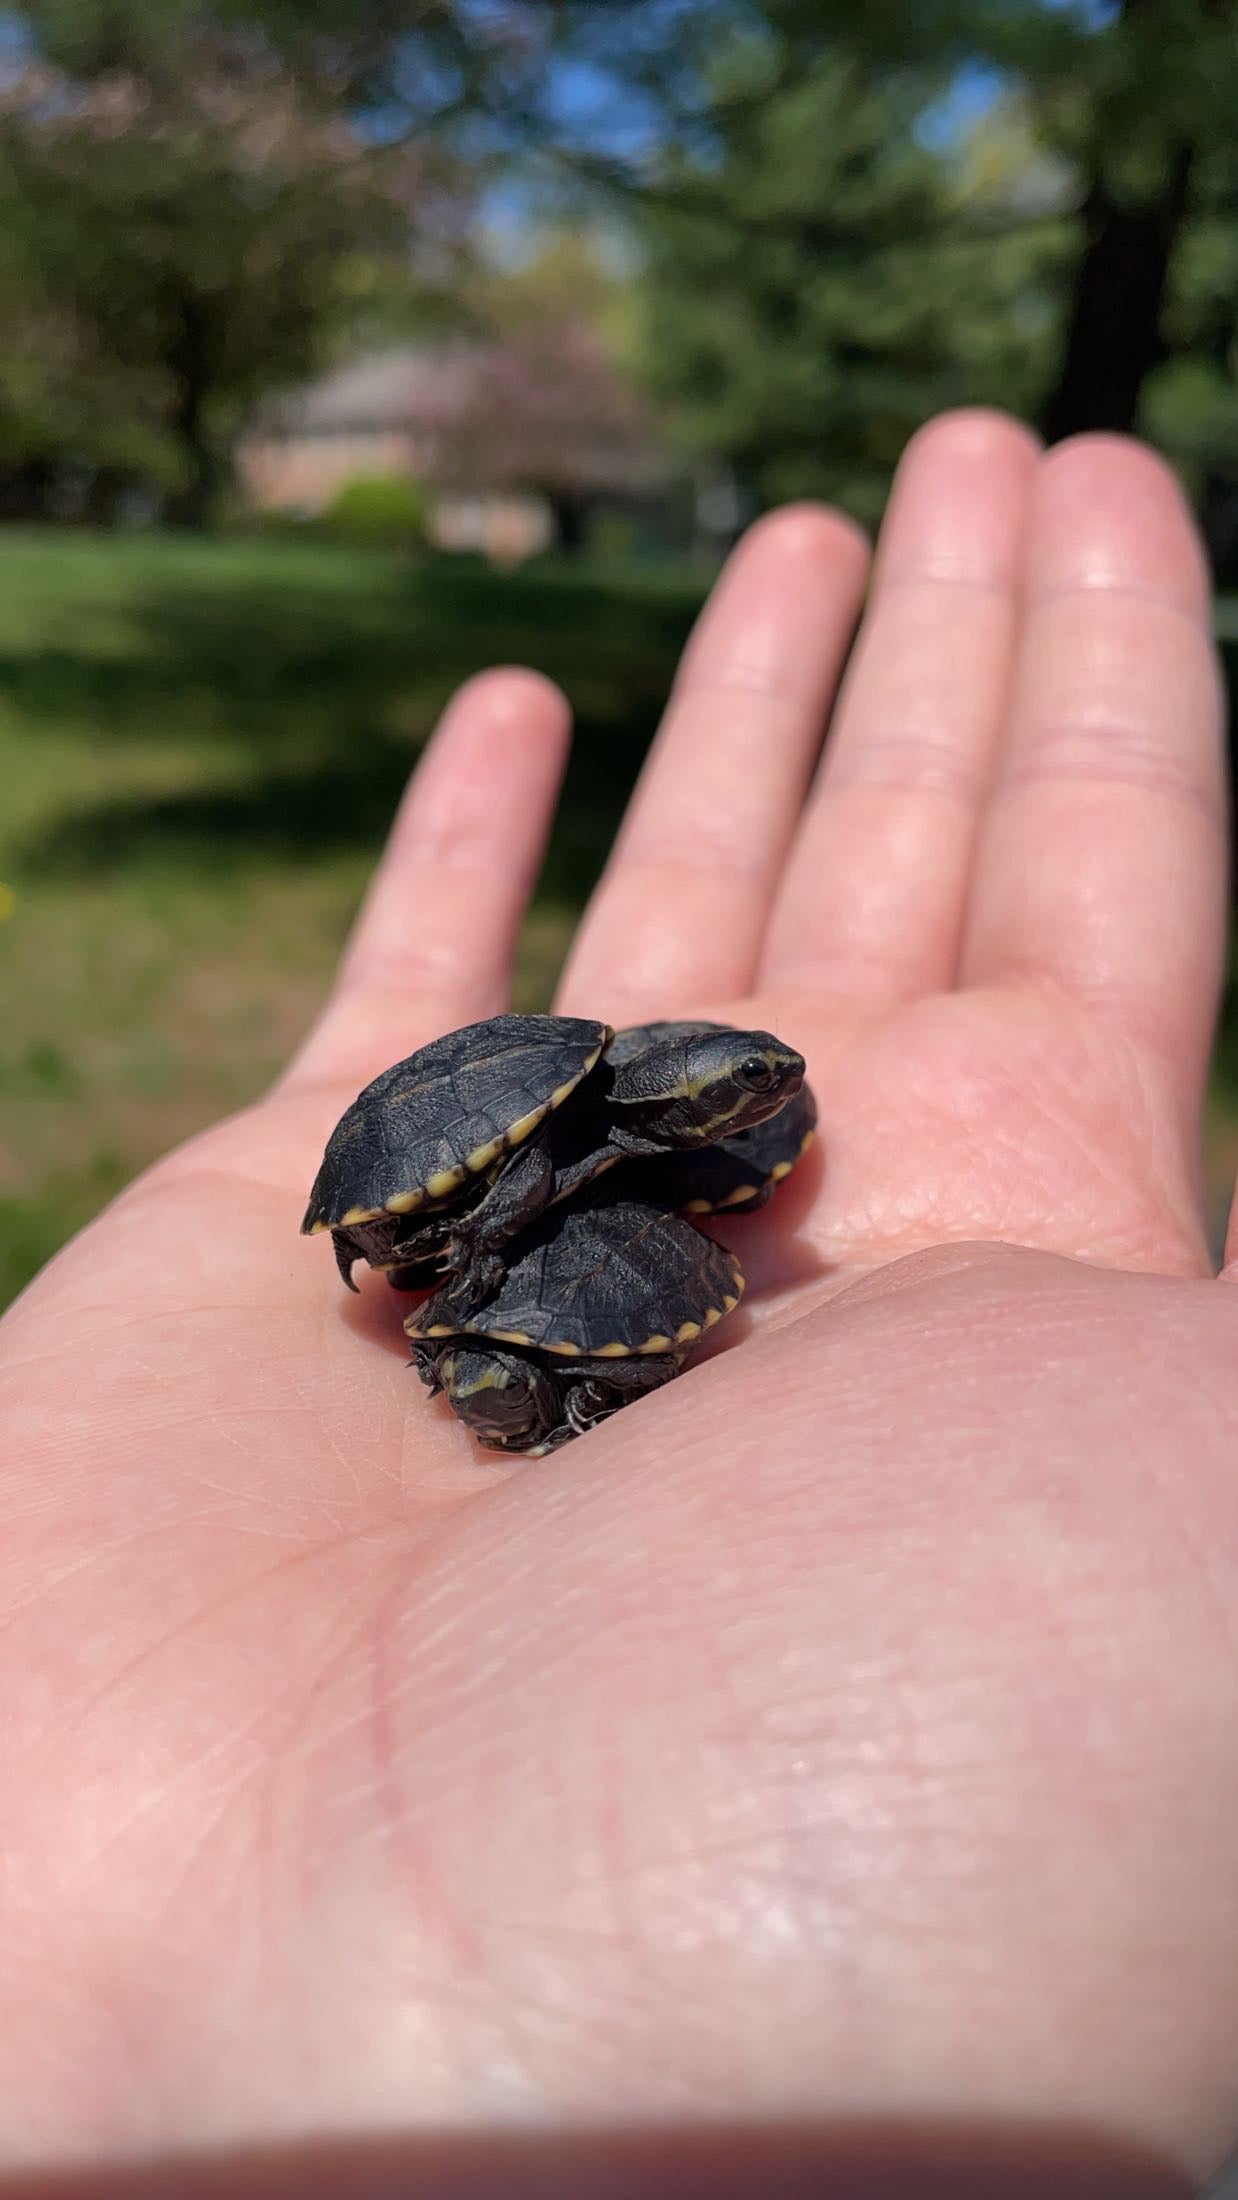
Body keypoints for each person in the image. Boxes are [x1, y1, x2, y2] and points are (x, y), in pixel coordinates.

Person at [0, 410, 1232, 2198]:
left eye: (748, 1102)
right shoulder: (571, 1115)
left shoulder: (639, 1140)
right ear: (671, 1096)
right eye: (729, 1095)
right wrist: (481, 1262)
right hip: (408, 1184)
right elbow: (514, 1184)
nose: (746, 1107)